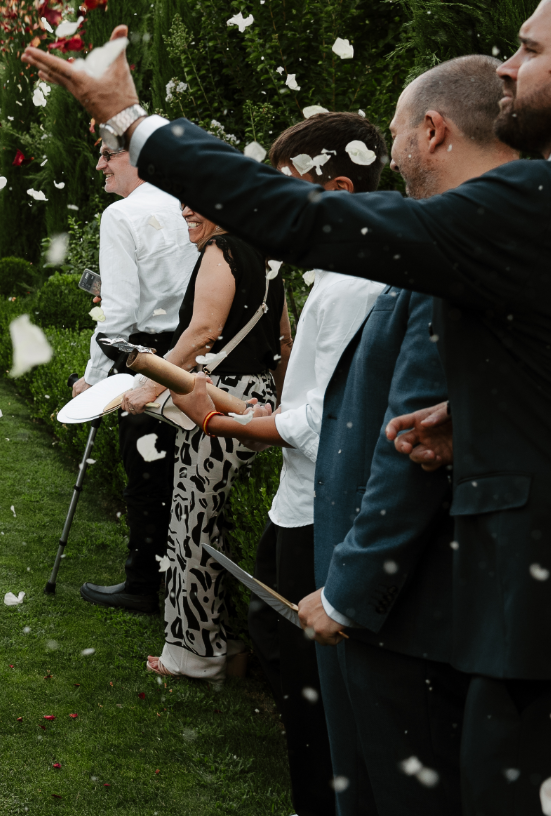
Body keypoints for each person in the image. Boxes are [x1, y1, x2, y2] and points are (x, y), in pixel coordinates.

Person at [26, 0, 551, 814]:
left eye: (534, 50)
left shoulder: (549, 203)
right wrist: (480, 411)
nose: (508, 66)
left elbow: (307, 219)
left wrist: (132, 121)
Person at [277, 56, 515, 816]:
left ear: (433, 130)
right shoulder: (448, 238)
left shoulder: (454, 250)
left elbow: (407, 448)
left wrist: (349, 592)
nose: (393, 150)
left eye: (398, 131)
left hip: (407, 612)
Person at [152, 114, 389, 812]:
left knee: (308, 677)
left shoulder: (349, 285)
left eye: (285, 193)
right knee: (276, 641)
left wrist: (220, 417)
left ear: (336, 187)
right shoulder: (336, 274)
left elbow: (320, 421)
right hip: (302, 496)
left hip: (321, 506)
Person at [115, 199, 286, 681]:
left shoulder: (221, 250)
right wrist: (277, 409)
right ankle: (227, 645)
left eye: (199, 202)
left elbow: (202, 333)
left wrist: (149, 383)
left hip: (215, 398)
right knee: (222, 521)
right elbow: (285, 340)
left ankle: (195, 653)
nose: (188, 211)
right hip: (257, 399)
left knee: (193, 524)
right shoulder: (266, 256)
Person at [69, 141, 196, 615]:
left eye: (108, 154)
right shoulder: (188, 204)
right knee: (183, 475)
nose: (99, 163)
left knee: (147, 476)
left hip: (148, 356)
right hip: (197, 351)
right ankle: (175, 581)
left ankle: (143, 584)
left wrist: (92, 379)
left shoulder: (121, 216)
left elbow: (118, 313)